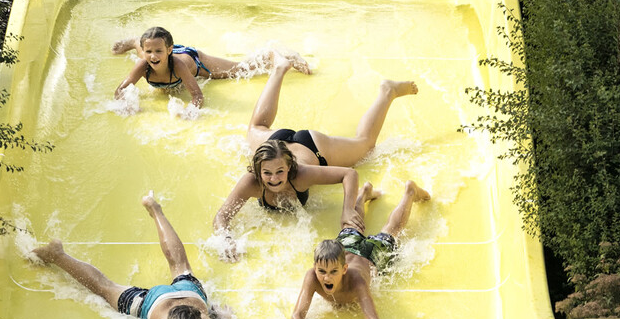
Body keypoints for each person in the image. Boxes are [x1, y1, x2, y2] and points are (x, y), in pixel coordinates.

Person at [212, 57, 419, 261]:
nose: (273, 179)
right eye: (267, 173)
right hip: (273, 145)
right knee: (255, 129)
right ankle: (280, 67)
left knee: (365, 145)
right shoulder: (251, 182)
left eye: (279, 172)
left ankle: (387, 91)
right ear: (257, 170)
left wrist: (347, 210)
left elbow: (349, 174)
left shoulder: (301, 174)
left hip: (312, 146)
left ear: (289, 167)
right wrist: (226, 237)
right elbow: (221, 216)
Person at [32, 194, 234, 319]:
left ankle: (155, 209)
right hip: (154, 301)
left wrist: (225, 318)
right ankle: (57, 255)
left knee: (179, 264)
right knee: (105, 288)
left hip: (189, 293)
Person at [284, 180, 430, 319]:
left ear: (344, 269)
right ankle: (364, 194)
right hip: (347, 245)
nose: (326, 277)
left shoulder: (357, 282)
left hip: (371, 255)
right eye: (321, 271)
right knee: (351, 226)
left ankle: (410, 192)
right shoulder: (312, 276)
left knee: (392, 231)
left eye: (333, 272)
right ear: (315, 267)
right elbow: (297, 315)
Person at [112, 26, 310, 108]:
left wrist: (190, 110)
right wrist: (127, 105)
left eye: (158, 52)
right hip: (164, 52)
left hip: (194, 61)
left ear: (169, 50)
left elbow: (197, 96)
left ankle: (277, 55)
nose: (152, 56)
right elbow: (121, 89)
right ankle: (134, 41)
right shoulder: (145, 62)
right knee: (144, 50)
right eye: (150, 52)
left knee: (240, 70)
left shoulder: (178, 65)